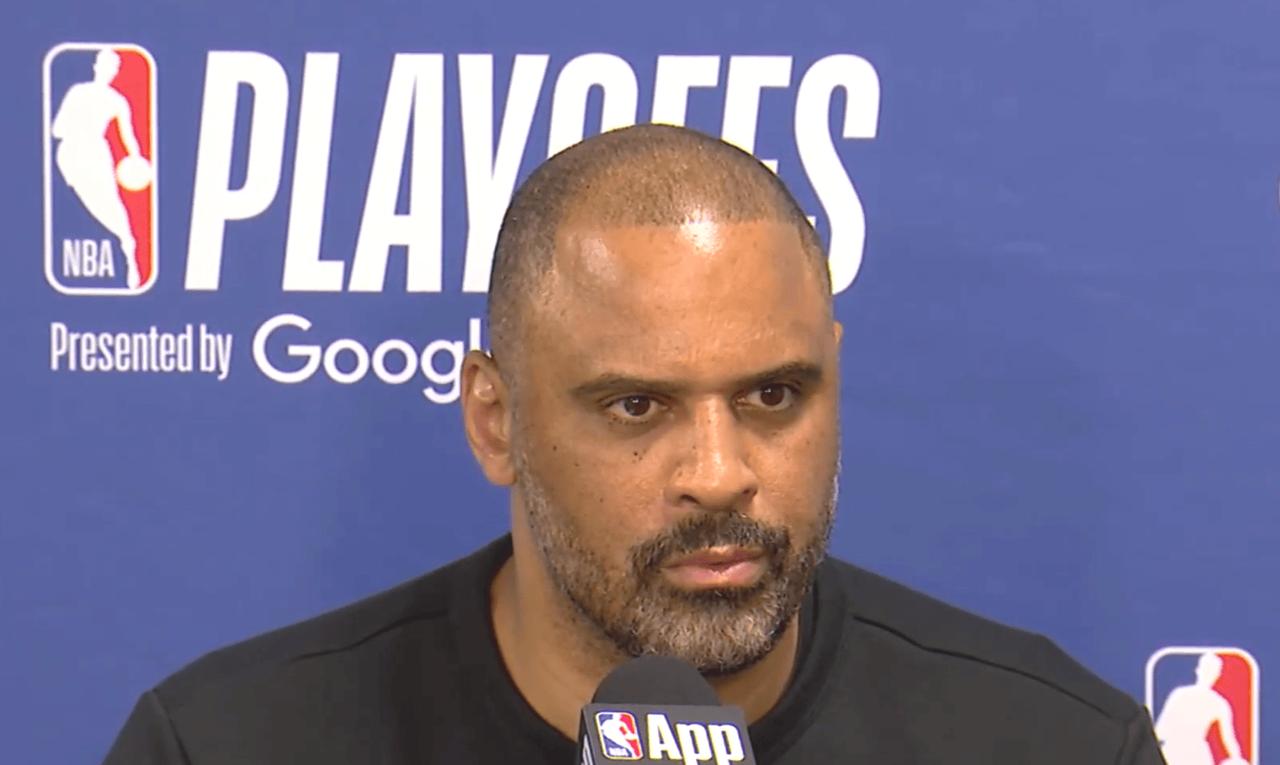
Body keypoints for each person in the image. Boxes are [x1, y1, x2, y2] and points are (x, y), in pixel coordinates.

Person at [103, 124, 1163, 763]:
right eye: (636, 408)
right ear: (495, 421)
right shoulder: (227, 744)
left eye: (773, 395)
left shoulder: (1055, 743)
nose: (719, 475)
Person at [51, 47, 147, 289]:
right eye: (106, 65)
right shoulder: (77, 92)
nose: (109, 71)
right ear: (96, 66)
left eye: (114, 68)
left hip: (97, 153)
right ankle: (123, 243)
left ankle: (129, 251)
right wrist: (78, 127)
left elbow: (128, 136)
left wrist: (136, 158)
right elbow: (57, 129)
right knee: (86, 202)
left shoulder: (117, 101)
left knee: (111, 202)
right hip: (71, 154)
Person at [1154, 652, 1249, 765]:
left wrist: (1237, 759)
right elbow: (1160, 730)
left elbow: (1229, 738)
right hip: (1176, 750)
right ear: (1198, 670)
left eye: (1212, 670)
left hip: (1194, 753)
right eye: (1206, 669)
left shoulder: (1219, 703)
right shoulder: (1180, 694)